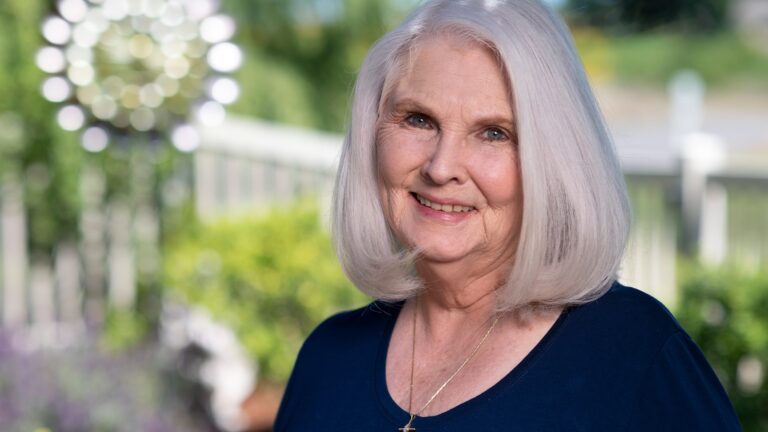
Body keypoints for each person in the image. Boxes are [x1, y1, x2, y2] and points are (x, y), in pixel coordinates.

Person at [274, 0, 742, 430]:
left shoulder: (636, 356)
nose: (441, 167)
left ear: (554, 163)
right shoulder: (328, 358)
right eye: (419, 119)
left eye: (494, 133)